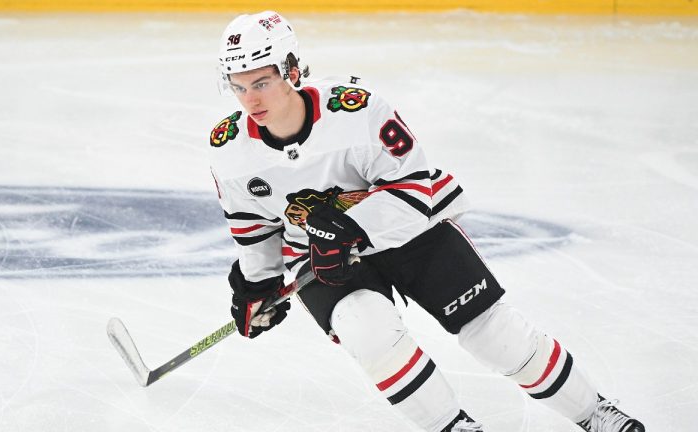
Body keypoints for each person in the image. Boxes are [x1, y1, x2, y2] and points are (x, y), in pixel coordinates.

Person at [208, 11, 645, 432]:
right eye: (239, 86)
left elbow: (416, 187)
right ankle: (454, 427)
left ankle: (595, 412)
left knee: (493, 334)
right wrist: (259, 285)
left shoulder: (356, 111)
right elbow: (254, 226)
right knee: (368, 333)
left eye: (262, 82)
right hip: (320, 256)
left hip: (409, 231)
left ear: (292, 71)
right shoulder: (229, 149)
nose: (251, 100)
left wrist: (352, 228)